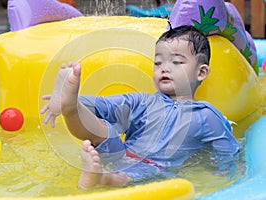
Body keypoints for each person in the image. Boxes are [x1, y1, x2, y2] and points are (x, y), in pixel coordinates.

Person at [41, 25, 240, 190]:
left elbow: (227, 153)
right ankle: (71, 107)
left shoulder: (206, 115)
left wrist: (221, 173)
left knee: (145, 172)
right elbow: (103, 105)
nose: (164, 68)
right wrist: (80, 102)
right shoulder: (140, 101)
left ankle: (101, 177)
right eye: (158, 62)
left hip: (154, 168)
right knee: (104, 131)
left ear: (201, 72)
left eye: (176, 62)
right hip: (125, 154)